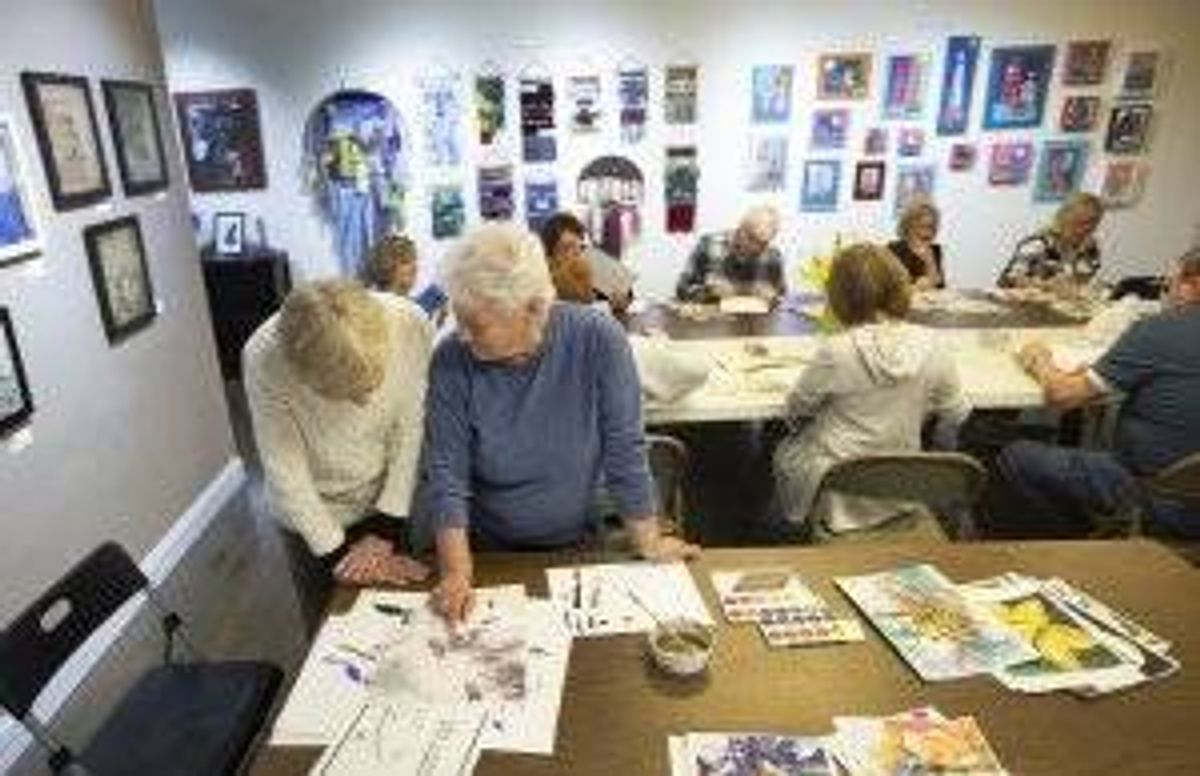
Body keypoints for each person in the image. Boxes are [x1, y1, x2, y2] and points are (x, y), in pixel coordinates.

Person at [420, 223, 699, 622]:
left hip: (577, 543)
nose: (462, 336)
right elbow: (447, 475)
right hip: (486, 553)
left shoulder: (597, 339)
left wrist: (650, 543)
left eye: (476, 325)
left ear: (533, 307)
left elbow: (625, 451)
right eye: (458, 321)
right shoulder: (450, 359)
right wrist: (456, 573)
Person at [244, 279, 433, 631]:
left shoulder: (410, 324)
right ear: (304, 377)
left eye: (372, 384)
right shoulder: (264, 358)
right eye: (347, 394)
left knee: (399, 621)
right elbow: (286, 471)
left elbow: (411, 431)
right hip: (313, 515)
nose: (364, 403)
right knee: (330, 629)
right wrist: (341, 557)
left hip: (387, 495)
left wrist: (387, 529)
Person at [989, 248, 1200, 540]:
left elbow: (1062, 396)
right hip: (1185, 486)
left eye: (1169, 284)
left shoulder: (1159, 330)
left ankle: (1081, 548)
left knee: (1016, 456)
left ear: (1192, 286)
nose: (1166, 294)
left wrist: (1040, 359)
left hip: (1160, 497)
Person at [773, 243, 970, 535]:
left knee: (780, 450)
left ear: (840, 295)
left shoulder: (837, 350)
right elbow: (957, 414)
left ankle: (776, 530)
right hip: (904, 479)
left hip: (838, 478)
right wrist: (917, 408)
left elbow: (796, 409)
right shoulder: (935, 343)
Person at [676, 205, 786, 303]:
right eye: (751, 238)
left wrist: (773, 296)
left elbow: (782, 296)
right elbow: (681, 289)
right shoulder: (709, 245)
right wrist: (708, 292)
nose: (755, 248)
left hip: (757, 323)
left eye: (763, 244)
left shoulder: (773, 256)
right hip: (714, 322)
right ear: (740, 230)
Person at [997, 192, 1104, 289]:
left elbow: (1085, 279)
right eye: (1080, 223)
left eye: (1092, 223)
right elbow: (1007, 280)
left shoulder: (1090, 248)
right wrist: (1044, 285)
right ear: (1064, 218)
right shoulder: (1038, 243)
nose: (1085, 229)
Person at [539, 212, 634, 313]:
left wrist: (623, 300)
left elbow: (622, 291)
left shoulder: (588, 261)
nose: (575, 253)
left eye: (578, 245)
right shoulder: (544, 278)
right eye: (566, 248)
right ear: (550, 253)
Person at [364, 234, 448, 321]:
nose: (414, 267)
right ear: (386, 266)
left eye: (414, 260)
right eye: (405, 262)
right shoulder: (405, 310)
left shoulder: (409, 307)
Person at [888, 200, 945, 290]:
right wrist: (915, 287)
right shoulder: (894, 249)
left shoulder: (935, 250)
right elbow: (889, 287)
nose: (927, 233)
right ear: (908, 227)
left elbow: (940, 286)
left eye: (931, 227)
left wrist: (929, 261)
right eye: (922, 226)